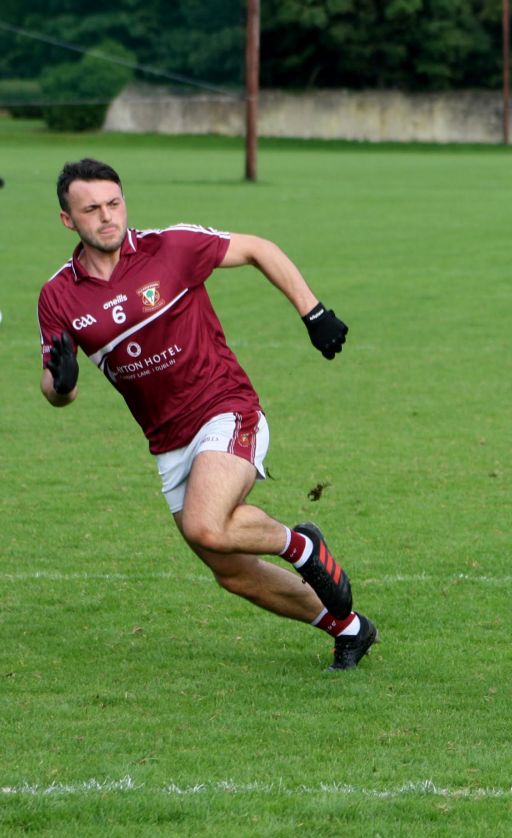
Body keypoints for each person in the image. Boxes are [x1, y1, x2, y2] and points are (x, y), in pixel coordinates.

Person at [38, 158, 379, 671]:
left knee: (205, 525)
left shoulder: (170, 246)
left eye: (114, 203)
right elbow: (55, 389)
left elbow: (258, 248)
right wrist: (60, 384)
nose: (107, 217)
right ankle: (349, 628)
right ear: (68, 219)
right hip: (167, 440)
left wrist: (314, 312)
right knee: (231, 571)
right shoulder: (57, 296)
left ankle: (302, 546)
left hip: (226, 407)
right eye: (92, 209)